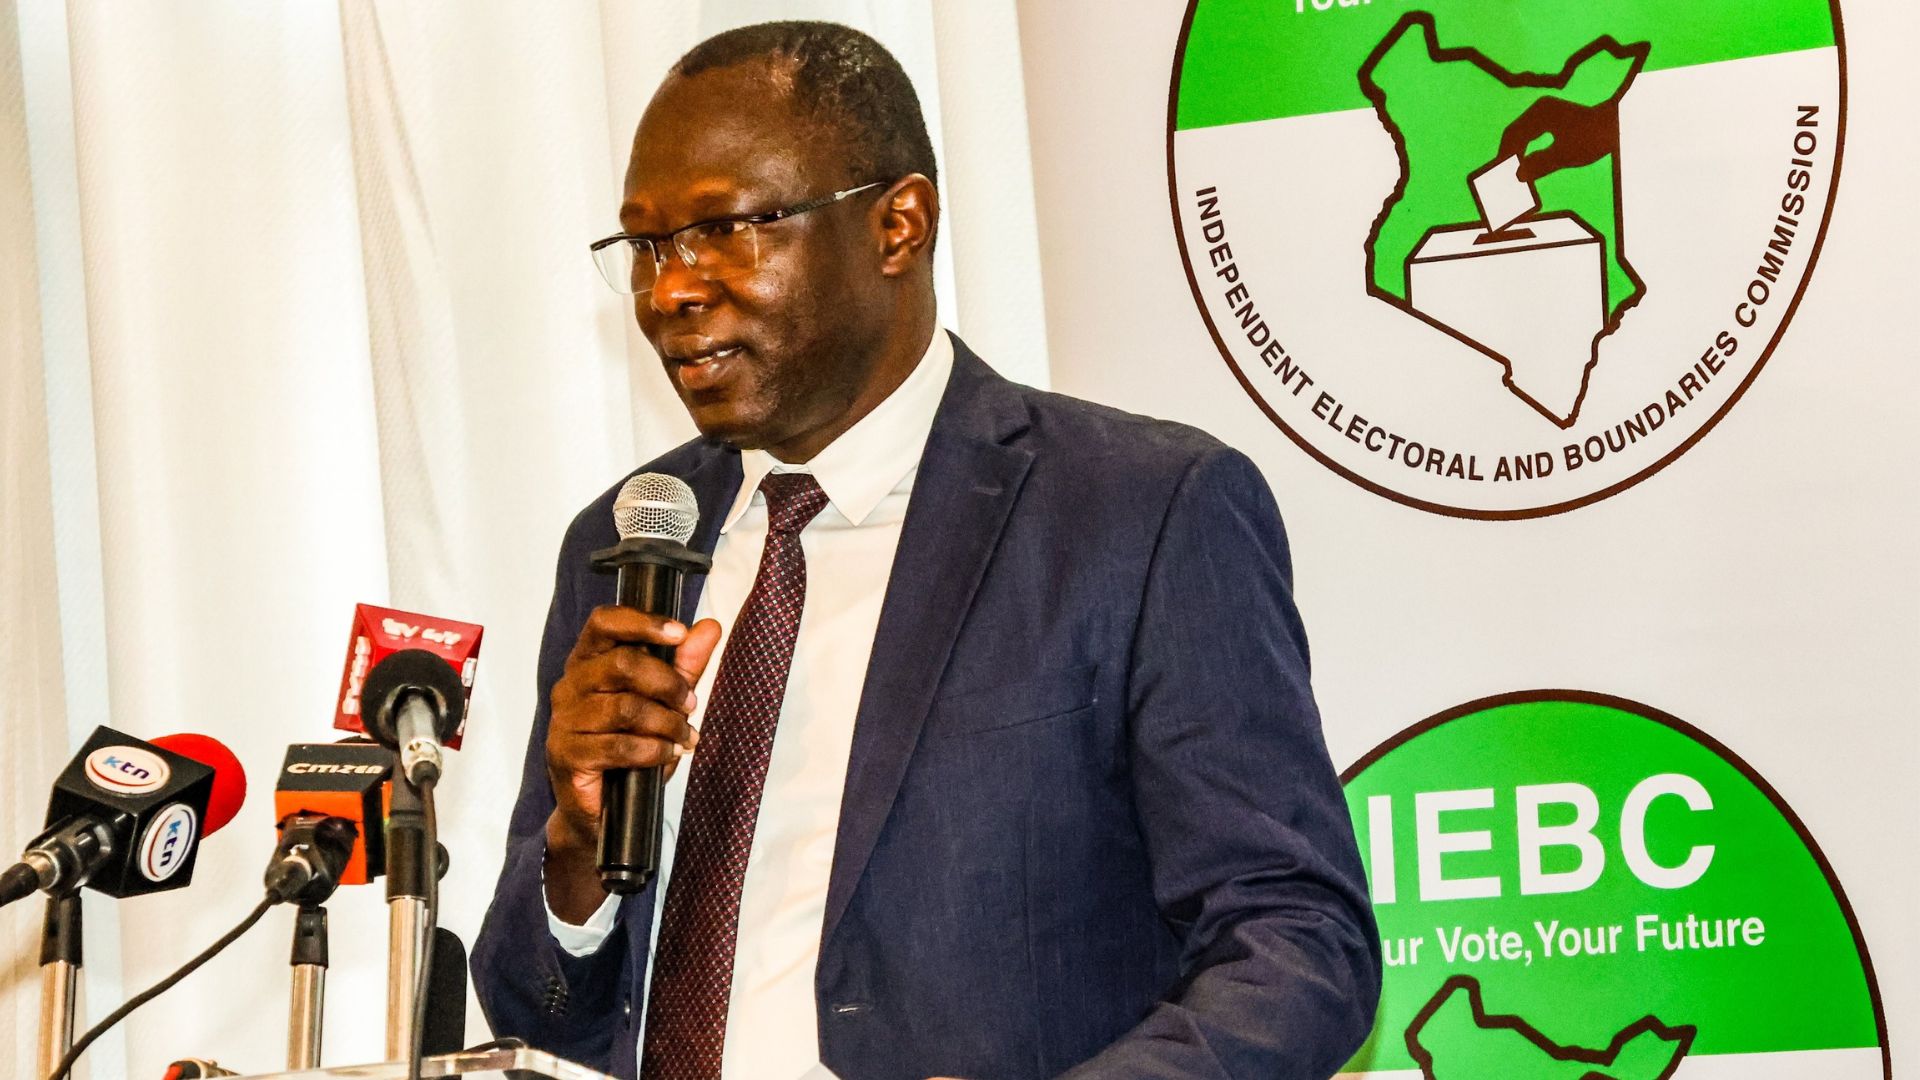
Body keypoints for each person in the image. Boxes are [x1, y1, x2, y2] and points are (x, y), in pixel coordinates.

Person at [471, 20, 1379, 1080]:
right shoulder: (627, 541)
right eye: (647, 245)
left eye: (725, 229)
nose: (670, 289)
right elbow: (536, 1011)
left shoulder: (1137, 512)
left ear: (897, 225)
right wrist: (577, 851)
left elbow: (1298, 946)